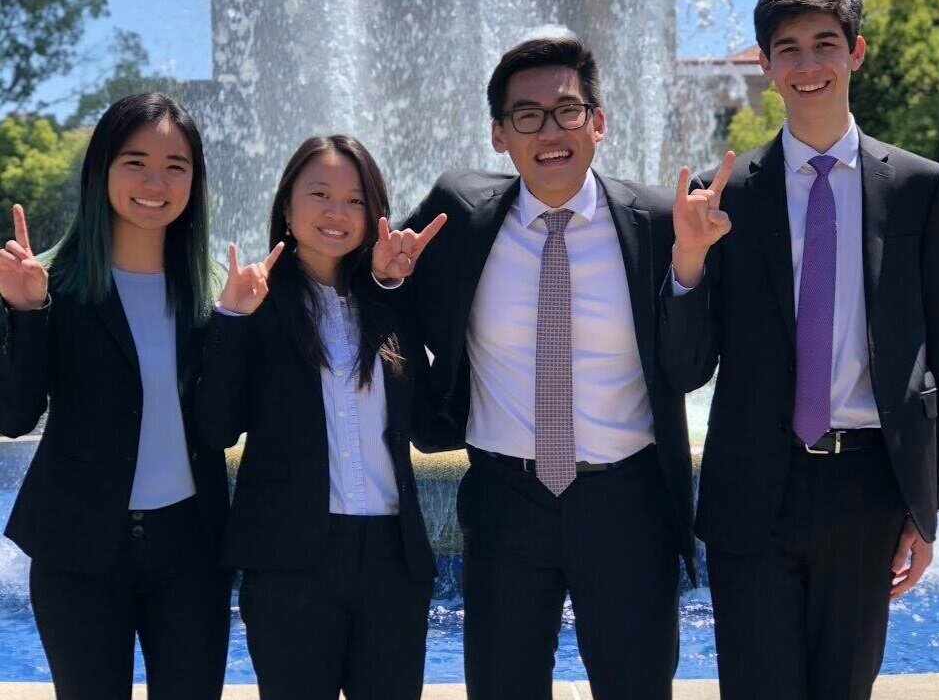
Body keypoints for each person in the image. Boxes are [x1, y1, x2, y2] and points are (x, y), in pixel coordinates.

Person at [372, 36, 697, 700]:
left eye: (567, 110)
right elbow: (379, 287)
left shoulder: (659, 221)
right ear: (499, 134)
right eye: (526, 115)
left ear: (597, 123)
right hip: (504, 502)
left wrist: (693, 267)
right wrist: (384, 278)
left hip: (626, 504)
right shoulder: (458, 212)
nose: (549, 130)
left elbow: (691, 362)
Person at [663, 0, 939, 699]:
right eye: (786, 47)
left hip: (867, 487)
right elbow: (685, 365)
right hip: (753, 486)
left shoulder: (919, 187)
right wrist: (688, 261)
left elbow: (934, 353)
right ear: (764, 64)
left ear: (855, 52)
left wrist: (925, 505)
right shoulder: (726, 199)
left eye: (824, 42)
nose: (806, 63)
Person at [195, 135, 446, 700]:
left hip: (392, 559)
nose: (338, 213)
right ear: (287, 206)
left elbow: (433, 428)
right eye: (320, 194)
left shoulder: (388, 302)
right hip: (289, 562)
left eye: (356, 200)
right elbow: (215, 428)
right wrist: (230, 321)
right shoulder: (252, 302)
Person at [0, 93, 231, 700]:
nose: (156, 182)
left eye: (176, 165)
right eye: (135, 161)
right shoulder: (48, 283)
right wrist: (25, 312)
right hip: (77, 550)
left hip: (191, 553)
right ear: (101, 169)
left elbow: (224, 423)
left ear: (195, 181)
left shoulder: (213, 294)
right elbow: (14, 414)